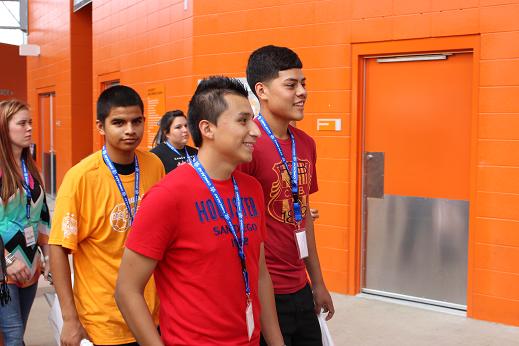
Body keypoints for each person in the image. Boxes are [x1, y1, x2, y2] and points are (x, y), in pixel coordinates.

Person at [115, 76, 285, 346]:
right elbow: (127, 290)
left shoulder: (252, 189)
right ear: (208, 128)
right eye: (243, 120)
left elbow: (260, 273)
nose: (255, 131)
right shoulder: (167, 196)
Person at [49, 85, 164, 346]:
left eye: (136, 121)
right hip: (104, 323)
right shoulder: (80, 178)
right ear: (101, 127)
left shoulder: (154, 166)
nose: (130, 130)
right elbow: (58, 248)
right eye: (119, 122)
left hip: (152, 316)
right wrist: (69, 320)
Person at [241, 45, 335, 345]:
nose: (302, 92)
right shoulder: (247, 145)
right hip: (264, 291)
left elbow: (303, 211)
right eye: (291, 85)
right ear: (262, 91)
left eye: (304, 84)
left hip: (300, 286)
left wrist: (317, 282)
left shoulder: (305, 144)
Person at [0, 99, 51, 345]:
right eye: (22, 123)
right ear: (3, 128)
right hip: (4, 270)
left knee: (17, 334)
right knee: (13, 336)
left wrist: (49, 257)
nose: (29, 128)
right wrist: (7, 261)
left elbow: (43, 217)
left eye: (30, 122)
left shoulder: (30, 168)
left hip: (31, 267)